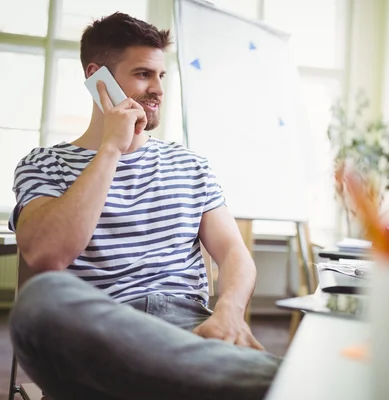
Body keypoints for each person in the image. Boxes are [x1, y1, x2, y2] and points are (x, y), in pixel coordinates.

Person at [8, 12, 281, 400]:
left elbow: (235, 254)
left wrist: (230, 311)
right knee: (39, 302)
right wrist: (111, 149)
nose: (157, 89)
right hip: (102, 334)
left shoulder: (190, 165)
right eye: (142, 74)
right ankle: (263, 381)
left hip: (188, 328)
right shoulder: (43, 164)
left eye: (161, 76)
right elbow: (47, 254)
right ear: (96, 77)